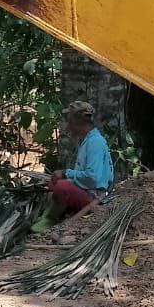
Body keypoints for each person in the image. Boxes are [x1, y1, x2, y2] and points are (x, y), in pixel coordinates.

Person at [31, 100, 114, 233]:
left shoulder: (95, 143)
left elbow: (92, 177)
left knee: (62, 187)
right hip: (87, 189)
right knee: (53, 183)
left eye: (70, 122)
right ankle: (51, 214)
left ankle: (50, 219)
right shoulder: (86, 140)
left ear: (79, 122)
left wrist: (66, 173)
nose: (68, 126)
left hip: (95, 195)